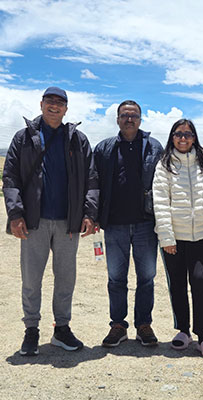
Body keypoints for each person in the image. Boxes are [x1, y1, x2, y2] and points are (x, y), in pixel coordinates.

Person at [2, 87, 98, 356]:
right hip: (34, 221)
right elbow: (10, 178)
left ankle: (61, 329)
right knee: (32, 278)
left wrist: (89, 214)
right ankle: (31, 330)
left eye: (60, 103)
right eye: (50, 101)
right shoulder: (24, 137)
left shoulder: (77, 140)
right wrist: (15, 214)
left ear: (67, 109)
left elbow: (92, 180)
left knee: (66, 278)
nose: (54, 106)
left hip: (68, 222)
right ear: (41, 104)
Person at [94, 100, 163, 347]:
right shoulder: (103, 148)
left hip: (146, 223)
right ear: (117, 119)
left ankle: (144, 324)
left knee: (146, 277)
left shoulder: (155, 147)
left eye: (133, 116)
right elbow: (95, 184)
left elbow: (165, 185)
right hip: (114, 224)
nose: (129, 119)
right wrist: (93, 215)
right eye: (124, 115)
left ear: (140, 119)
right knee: (116, 278)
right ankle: (118, 325)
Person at [153, 119, 203, 358]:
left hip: (202, 234)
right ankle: (183, 330)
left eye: (188, 134)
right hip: (174, 237)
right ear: (172, 137)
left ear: (194, 137)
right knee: (178, 284)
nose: (183, 138)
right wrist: (166, 238)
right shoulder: (164, 165)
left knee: (200, 281)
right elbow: (160, 203)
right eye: (178, 134)